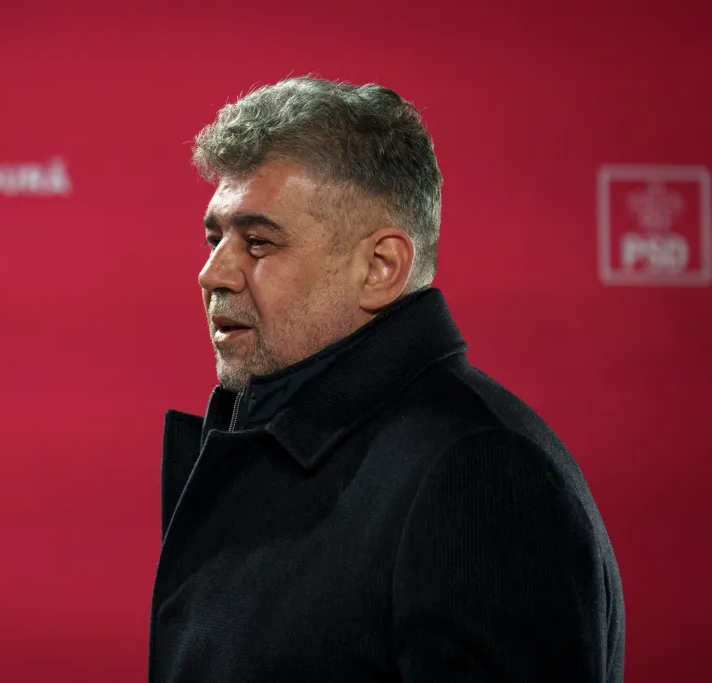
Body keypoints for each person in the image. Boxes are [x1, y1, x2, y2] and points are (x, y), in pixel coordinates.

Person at [149, 76, 625, 683]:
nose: (212, 273)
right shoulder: (283, 442)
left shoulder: (480, 473)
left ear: (380, 267)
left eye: (259, 242)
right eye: (215, 238)